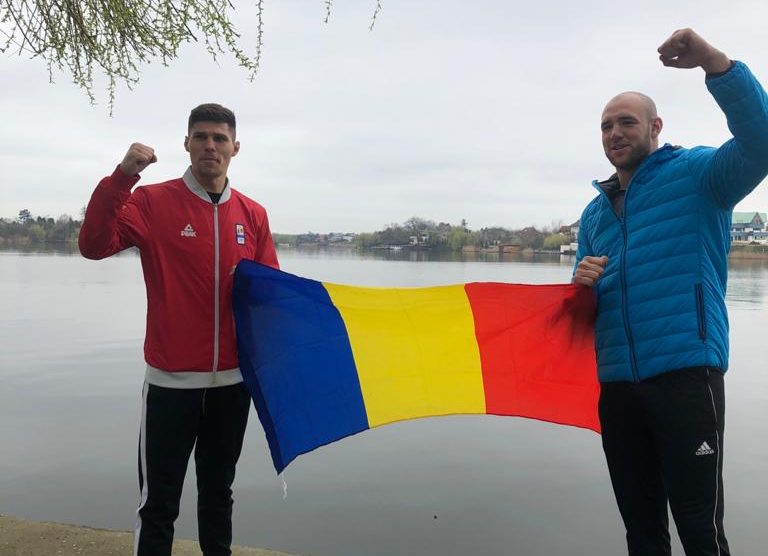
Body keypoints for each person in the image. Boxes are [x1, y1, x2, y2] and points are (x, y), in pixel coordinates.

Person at [573, 28, 768, 555]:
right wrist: (581, 286)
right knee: (642, 532)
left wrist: (715, 63)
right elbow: (581, 314)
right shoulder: (593, 214)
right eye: (606, 126)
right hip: (618, 387)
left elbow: (762, 141)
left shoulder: (699, 177)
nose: (615, 133)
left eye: (627, 122)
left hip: (685, 377)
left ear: (655, 127)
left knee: (700, 530)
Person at [79, 103, 279, 556]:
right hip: (171, 383)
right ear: (186, 144)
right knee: (159, 503)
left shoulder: (253, 214)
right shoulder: (152, 202)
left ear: (235, 148)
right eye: (201, 137)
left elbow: (270, 295)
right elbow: (93, 245)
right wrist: (122, 178)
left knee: (218, 495)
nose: (210, 146)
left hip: (233, 384)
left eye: (220, 138)